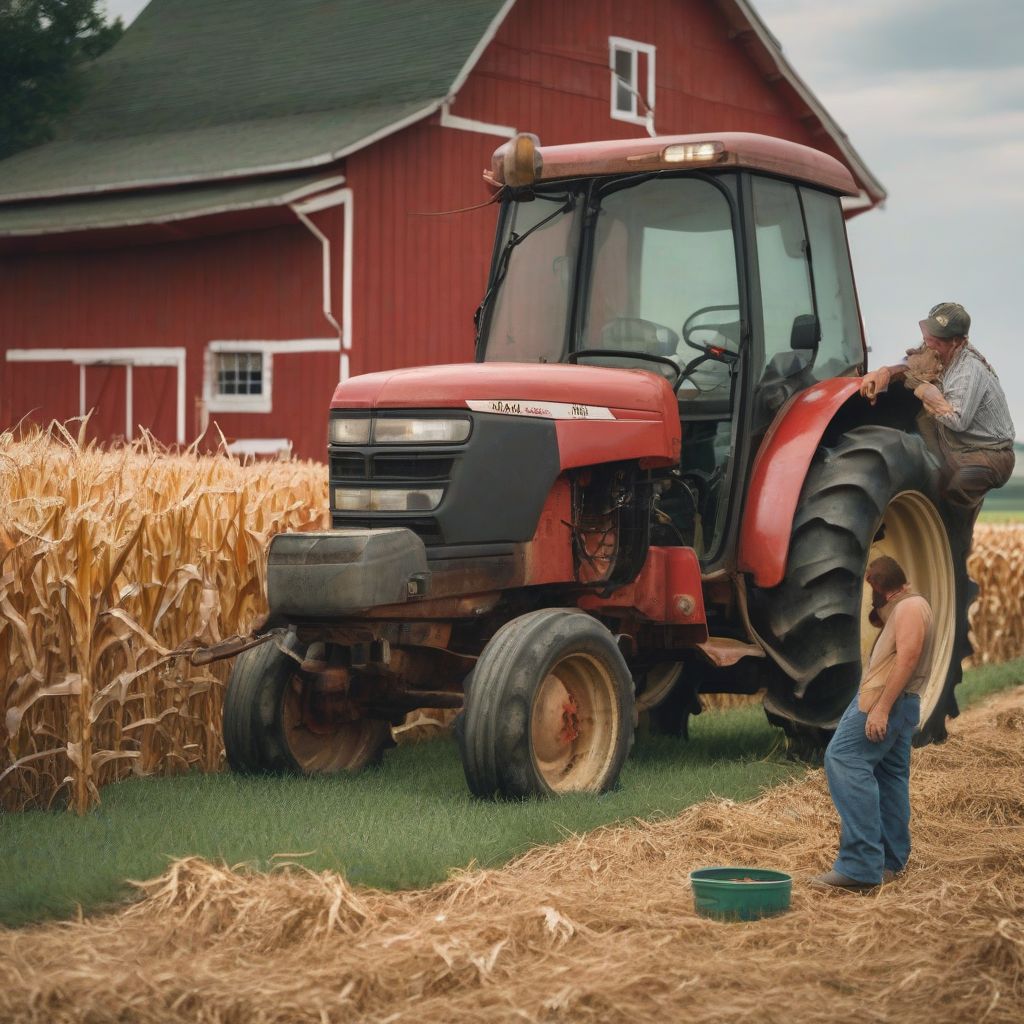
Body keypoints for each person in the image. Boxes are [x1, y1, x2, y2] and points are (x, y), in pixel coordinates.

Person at [811, 556, 933, 892]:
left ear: (876, 587)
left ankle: (860, 867)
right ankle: (890, 862)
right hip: (904, 704)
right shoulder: (912, 606)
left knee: (844, 760)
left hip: (884, 702)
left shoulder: (908, 607)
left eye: (871, 590)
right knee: (889, 776)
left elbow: (907, 657)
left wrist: (880, 709)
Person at [860, 302, 1015, 525]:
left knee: (954, 487)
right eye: (929, 334)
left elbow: (957, 420)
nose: (929, 342)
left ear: (958, 342)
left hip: (989, 453)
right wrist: (886, 371)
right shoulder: (933, 347)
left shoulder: (969, 371)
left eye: (939, 339)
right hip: (953, 442)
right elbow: (913, 363)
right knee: (921, 427)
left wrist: (925, 391)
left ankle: (947, 536)